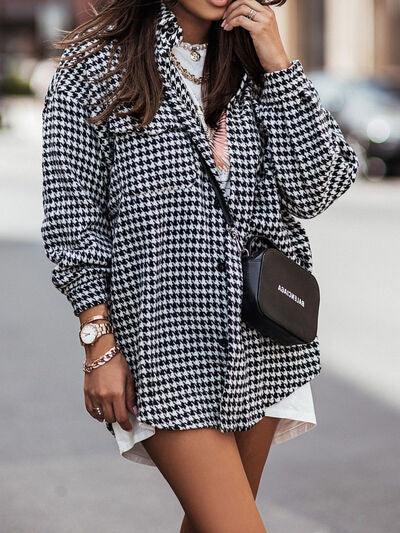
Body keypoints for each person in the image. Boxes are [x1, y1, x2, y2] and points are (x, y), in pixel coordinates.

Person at [40, 1, 359, 531]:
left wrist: (278, 64)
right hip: (165, 349)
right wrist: (98, 342)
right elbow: (73, 219)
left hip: (263, 342)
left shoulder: (257, 67)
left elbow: (318, 186)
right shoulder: (93, 71)